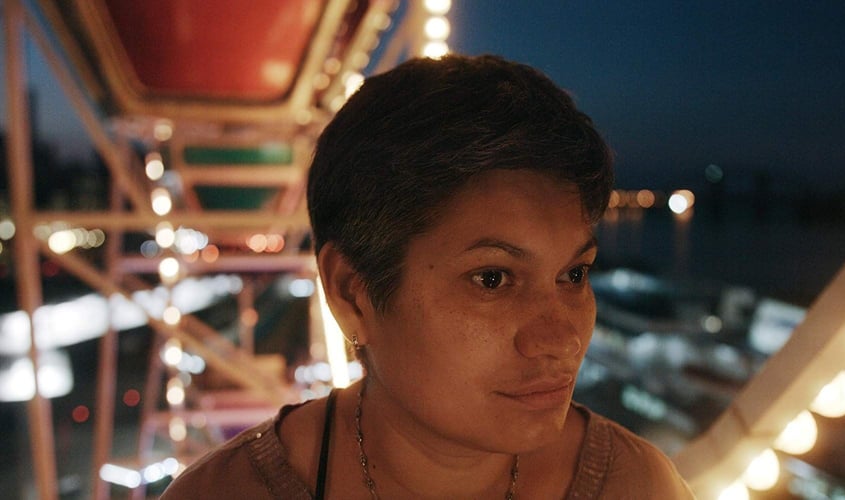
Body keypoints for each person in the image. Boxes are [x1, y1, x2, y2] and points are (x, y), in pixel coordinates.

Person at [161, 54, 695, 499]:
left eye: (574, 274)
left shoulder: (638, 485)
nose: (564, 339)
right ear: (352, 294)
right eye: (493, 279)